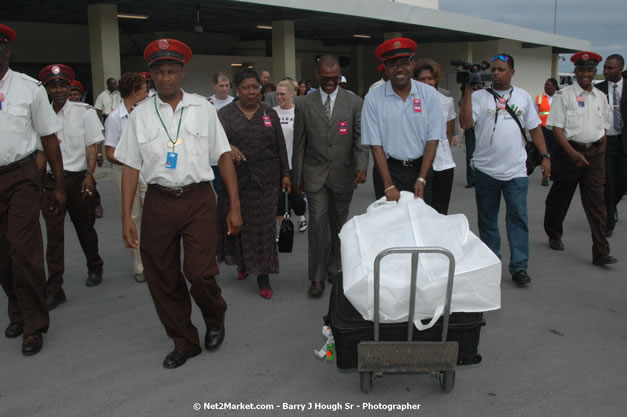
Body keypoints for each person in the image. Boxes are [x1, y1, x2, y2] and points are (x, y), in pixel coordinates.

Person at [115, 38, 242, 369]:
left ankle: (215, 317)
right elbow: (130, 166)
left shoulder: (203, 109)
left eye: (172, 71)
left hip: (198, 198)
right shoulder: (140, 115)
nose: (166, 78)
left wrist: (234, 206)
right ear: (151, 75)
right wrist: (128, 216)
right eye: (160, 72)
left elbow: (224, 157)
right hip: (158, 200)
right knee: (162, 275)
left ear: (182, 72)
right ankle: (184, 340)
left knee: (199, 273)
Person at [0, 24, 65, 356]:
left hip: (22, 175)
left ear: (7, 50)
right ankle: (17, 311)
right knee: (2, 256)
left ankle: (34, 324)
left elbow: (49, 138)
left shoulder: (29, 89)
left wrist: (59, 184)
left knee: (22, 249)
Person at [460, 53, 550, 286]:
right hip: (486, 170)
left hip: (516, 171)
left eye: (501, 69)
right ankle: (492, 262)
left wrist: (545, 156)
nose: (496, 73)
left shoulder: (523, 97)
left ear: (512, 72)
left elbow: (535, 129)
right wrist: (467, 91)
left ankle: (519, 266)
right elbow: (466, 123)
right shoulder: (479, 96)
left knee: (518, 218)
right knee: (488, 219)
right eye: (493, 69)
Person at [293, 55, 369, 298]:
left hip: (343, 174)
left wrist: (361, 165)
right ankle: (316, 277)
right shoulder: (304, 103)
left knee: (339, 224)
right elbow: (299, 144)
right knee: (317, 222)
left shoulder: (355, 102)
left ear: (339, 76)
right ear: (317, 75)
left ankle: (334, 266)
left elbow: (359, 138)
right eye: (325, 79)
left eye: (334, 79)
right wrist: (297, 180)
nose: (330, 83)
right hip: (314, 174)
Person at [217, 68, 291, 300]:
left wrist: (286, 174)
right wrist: (229, 147)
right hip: (235, 180)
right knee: (239, 224)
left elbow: (280, 145)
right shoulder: (226, 114)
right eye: (246, 88)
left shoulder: (269, 113)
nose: (251, 92)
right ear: (236, 90)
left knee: (264, 228)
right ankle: (243, 263)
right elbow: (215, 144)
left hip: (267, 180)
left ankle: (263, 274)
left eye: (255, 87)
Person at [38, 64, 105, 309]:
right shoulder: (41, 113)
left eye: (63, 85)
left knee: (85, 227)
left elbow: (90, 146)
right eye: (53, 86)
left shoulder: (84, 112)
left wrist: (90, 174)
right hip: (50, 181)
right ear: (46, 88)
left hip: (78, 179)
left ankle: (94, 265)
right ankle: (55, 287)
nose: (58, 90)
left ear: (70, 87)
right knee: (54, 235)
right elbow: (40, 152)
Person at [544, 51, 616, 267]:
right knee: (560, 198)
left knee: (597, 203)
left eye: (590, 70)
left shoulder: (601, 97)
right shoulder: (564, 95)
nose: (586, 74)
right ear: (575, 72)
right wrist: (572, 153)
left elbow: (604, 127)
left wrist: (601, 149)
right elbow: (556, 128)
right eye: (582, 70)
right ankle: (554, 234)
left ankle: (601, 251)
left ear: (595, 72)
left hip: (594, 155)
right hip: (569, 154)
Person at [361, 38, 442, 205]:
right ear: (385, 68)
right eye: (392, 64)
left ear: (413, 64)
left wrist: (422, 178)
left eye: (404, 62)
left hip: (422, 169)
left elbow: (432, 140)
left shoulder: (430, 95)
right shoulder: (372, 99)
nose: (399, 69)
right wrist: (388, 184)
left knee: (421, 225)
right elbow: (376, 147)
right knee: (390, 226)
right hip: (389, 170)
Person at [104, 72, 148, 283]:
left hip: (147, 172)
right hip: (124, 172)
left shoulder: (146, 114)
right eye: (144, 88)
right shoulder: (115, 118)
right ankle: (139, 266)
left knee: (152, 216)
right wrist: (131, 160)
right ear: (134, 92)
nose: (147, 92)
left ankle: (154, 259)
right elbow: (110, 152)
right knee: (133, 217)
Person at [414, 58, 456, 214]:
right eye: (422, 79)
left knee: (440, 212)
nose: (427, 82)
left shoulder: (447, 101)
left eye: (430, 78)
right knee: (421, 212)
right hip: (419, 165)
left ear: (436, 79)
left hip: (443, 165)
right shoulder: (411, 102)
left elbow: (448, 132)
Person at [595, 54, 626, 237]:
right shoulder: (598, 90)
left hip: (624, 142)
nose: (606, 71)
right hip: (607, 142)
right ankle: (608, 220)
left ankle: (612, 205)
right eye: (605, 68)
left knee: (622, 182)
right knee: (608, 182)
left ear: (620, 69)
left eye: (610, 68)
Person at [273, 80, 308, 233]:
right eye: (277, 94)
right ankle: (284, 227)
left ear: (292, 94)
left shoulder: (299, 112)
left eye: (283, 94)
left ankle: (301, 216)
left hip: (294, 162)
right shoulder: (271, 112)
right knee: (278, 198)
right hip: (276, 163)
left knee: (295, 195)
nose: (279, 97)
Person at [207, 72, 234, 194]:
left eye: (227, 85)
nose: (225, 89)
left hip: (232, 151)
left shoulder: (235, 102)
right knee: (219, 189)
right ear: (214, 86)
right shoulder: (206, 103)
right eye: (221, 85)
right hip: (214, 157)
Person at [535, 78, 559, 186]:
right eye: (545, 84)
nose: (545, 86)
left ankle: (553, 173)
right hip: (543, 130)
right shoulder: (539, 98)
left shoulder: (560, 97)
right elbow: (535, 114)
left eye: (548, 85)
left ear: (554, 86)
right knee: (545, 153)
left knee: (555, 152)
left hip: (556, 130)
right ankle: (545, 175)